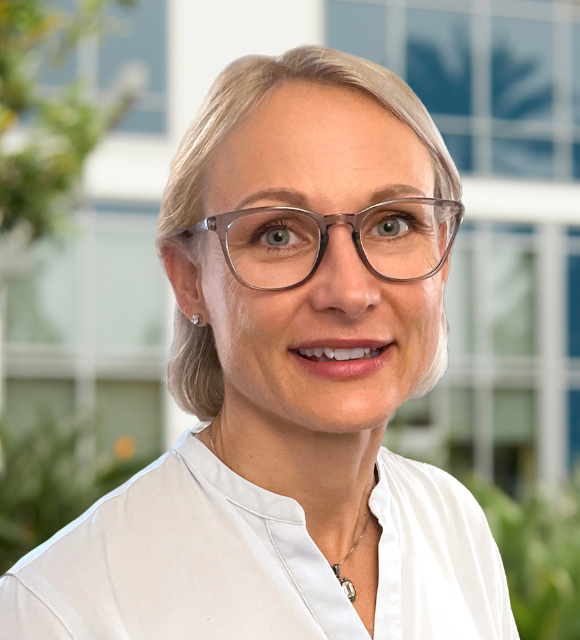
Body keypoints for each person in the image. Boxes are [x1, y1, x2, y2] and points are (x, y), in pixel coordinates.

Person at [0, 45, 519, 639]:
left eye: (392, 224)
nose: (349, 292)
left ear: (442, 258)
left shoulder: (452, 524)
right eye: (278, 234)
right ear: (189, 280)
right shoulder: (64, 607)